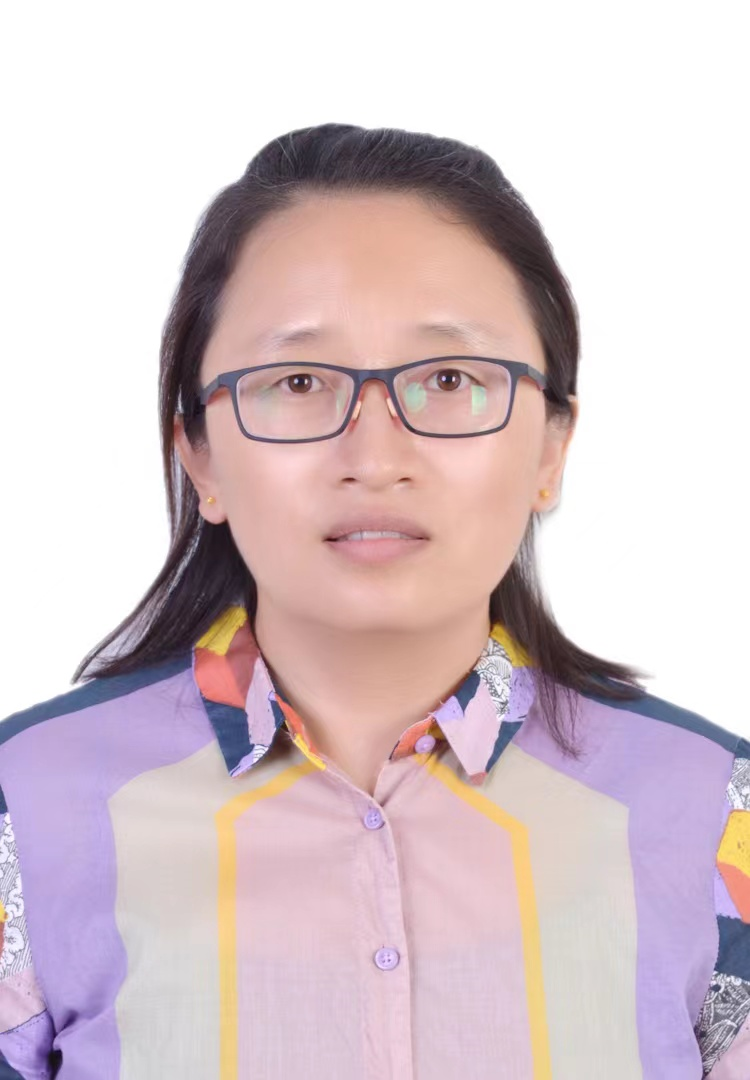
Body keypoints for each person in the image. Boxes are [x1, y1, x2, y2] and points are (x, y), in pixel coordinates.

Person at [0, 123, 746, 1080]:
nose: (376, 458)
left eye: (450, 379)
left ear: (552, 447)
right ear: (200, 457)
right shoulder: (27, 807)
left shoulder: (717, 815)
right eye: (299, 382)